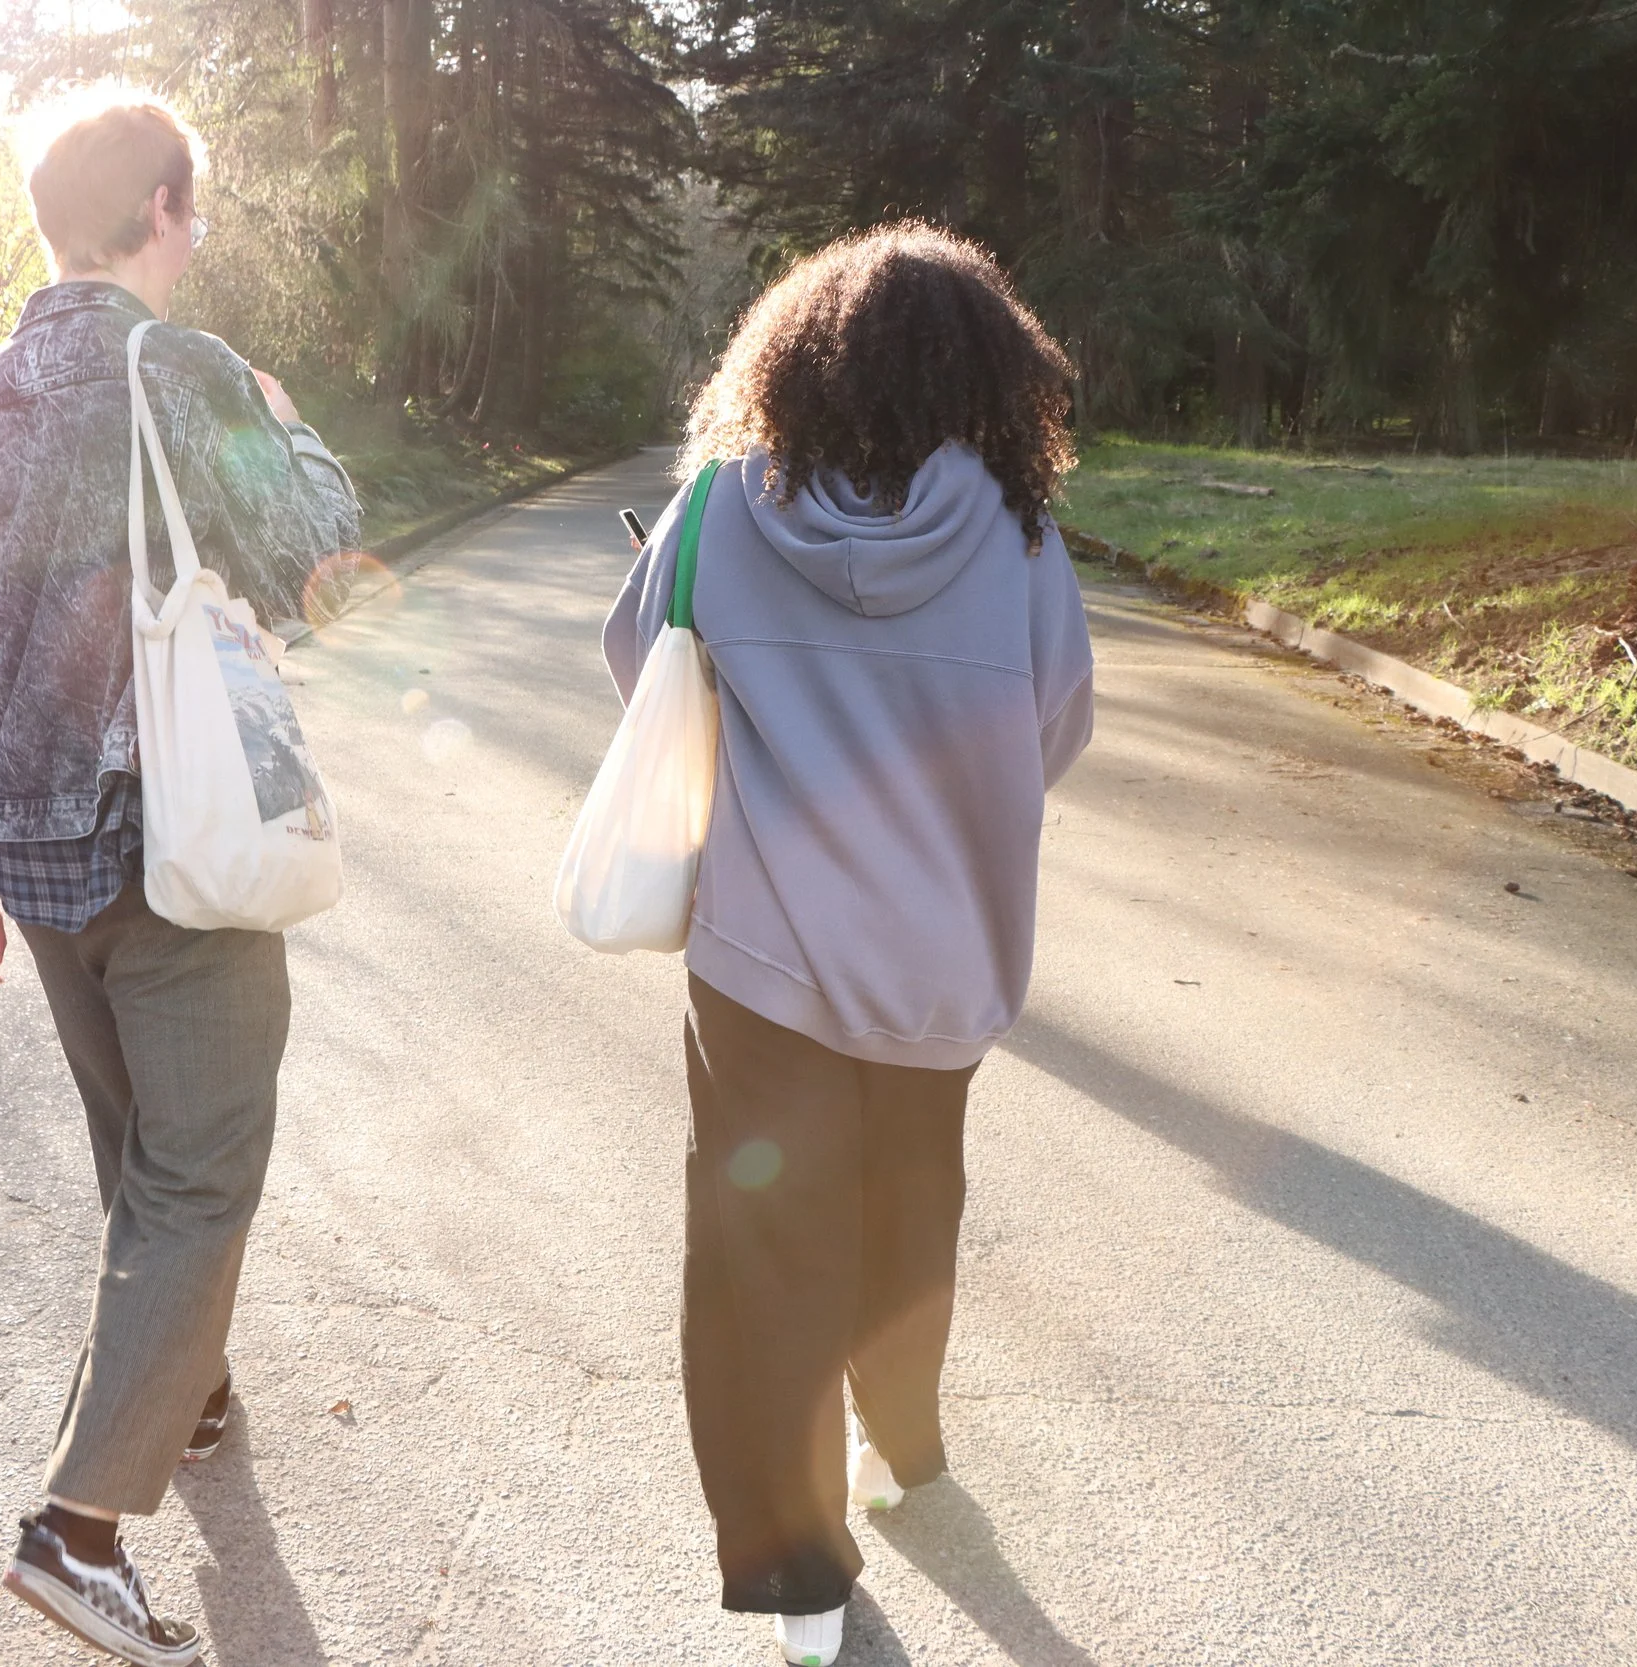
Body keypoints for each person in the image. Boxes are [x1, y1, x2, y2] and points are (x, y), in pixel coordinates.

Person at [0, 94, 361, 1664]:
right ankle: (78, 1528)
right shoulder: (188, 372)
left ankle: (195, 1385)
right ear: (163, 208)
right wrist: (290, 429)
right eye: (198, 209)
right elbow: (318, 563)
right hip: (180, 844)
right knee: (203, 1158)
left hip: (30, 859)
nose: (200, 232)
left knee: (136, 1143)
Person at [602, 223, 1093, 1667]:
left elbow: (641, 672)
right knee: (913, 1198)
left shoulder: (713, 510)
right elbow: (1055, 718)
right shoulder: (1017, 538)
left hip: (763, 954)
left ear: (794, 362)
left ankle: (798, 1579)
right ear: (988, 375)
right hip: (942, 955)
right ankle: (903, 1445)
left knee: (765, 1246)